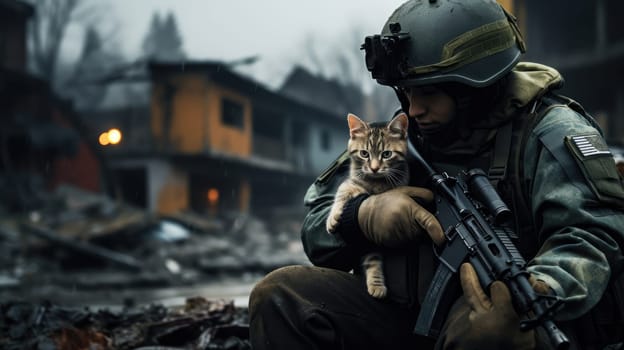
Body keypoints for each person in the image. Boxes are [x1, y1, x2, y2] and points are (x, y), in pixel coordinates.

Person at [248, 0, 624, 349]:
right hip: (404, 315)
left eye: (427, 93)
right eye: (407, 92)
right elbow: (316, 225)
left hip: (505, 315)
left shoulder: (549, 131)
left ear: (473, 89)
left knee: (475, 333)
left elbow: (592, 237)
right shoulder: (404, 135)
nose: (413, 110)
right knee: (281, 296)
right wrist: (360, 215)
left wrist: (530, 299)